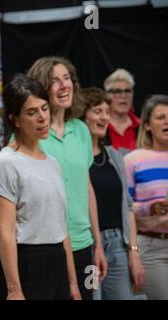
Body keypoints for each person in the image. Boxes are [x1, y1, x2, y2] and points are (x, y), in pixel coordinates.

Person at [0, 73, 81, 300]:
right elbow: (7, 233)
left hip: (57, 260)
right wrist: (14, 290)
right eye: (32, 112)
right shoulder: (7, 162)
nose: (42, 117)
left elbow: (62, 228)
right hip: (26, 263)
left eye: (44, 108)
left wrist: (73, 284)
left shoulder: (52, 163)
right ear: (15, 119)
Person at [27, 57, 108, 300]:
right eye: (54, 81)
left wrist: (98, 243)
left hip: (84, 246)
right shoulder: (31, 133)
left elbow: (86, 188)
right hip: (47, 248)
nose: (64, 85)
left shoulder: (81, 130)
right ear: (41, 88)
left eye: (67, 78)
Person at [81, 87, 145, 300]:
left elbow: (127, 205)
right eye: (98, 111)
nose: (104, 117)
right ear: (83, 115)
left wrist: (133, 251)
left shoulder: (114, 157)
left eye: (107, 111)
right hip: (88, 247)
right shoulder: (74, 158)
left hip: (118, 245)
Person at [124, 94, 168, 300]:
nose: (167, 121)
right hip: (152, 246)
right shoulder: (133, 160)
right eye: (161, 117)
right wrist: (149, 208)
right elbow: (126, 208)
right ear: (147, 125)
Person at [103, 68, 140, 154]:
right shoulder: (100, 126)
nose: (123, 96)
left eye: (127, 91)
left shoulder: (142, 126)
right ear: (107, 95)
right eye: (117, 91)